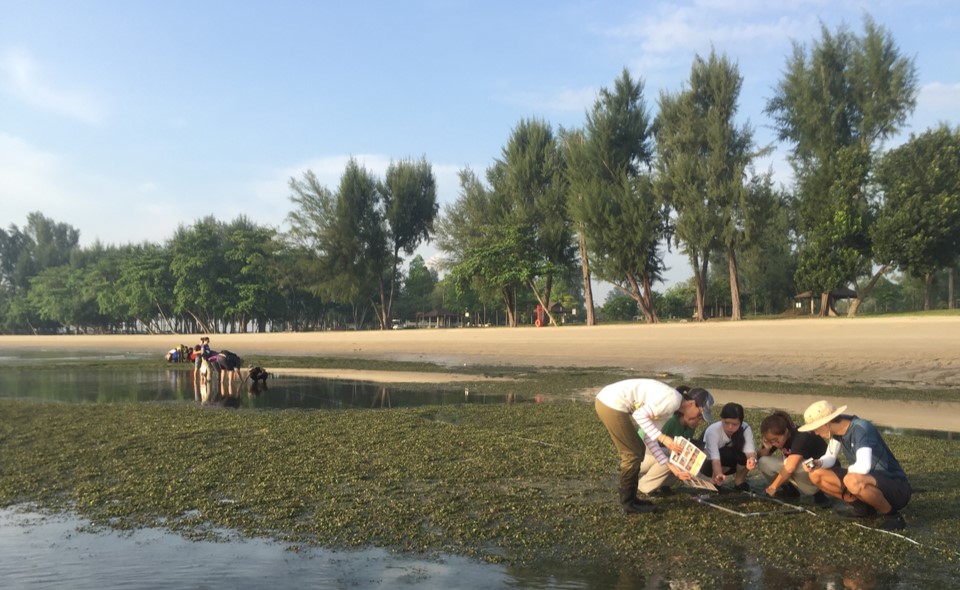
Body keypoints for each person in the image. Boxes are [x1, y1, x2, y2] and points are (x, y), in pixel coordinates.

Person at [595, 378, 714, 514]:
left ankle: (632, 499)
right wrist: (664, 438)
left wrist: (672, 468)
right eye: (699, 414)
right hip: (611, 402)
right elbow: (640, 415)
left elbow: (649, 438)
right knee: (632, 454)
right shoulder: (673, 400)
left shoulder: (669, 411)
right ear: (692, 403)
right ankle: (628, 503)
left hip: (610, 402)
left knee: (638, 449)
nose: (699, 419)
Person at [799, 400, 912, 530]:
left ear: (826, 423)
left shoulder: (861, 428)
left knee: (851, 480)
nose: (816, 433)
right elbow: (830, 457)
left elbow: (864, 467)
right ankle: (863, 509)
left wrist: (847, 477)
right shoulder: (837, 430)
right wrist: (818, 463)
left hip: (896, 487)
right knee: (816, 474)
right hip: (868, 480)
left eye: (816, 428)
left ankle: (893, 516)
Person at [638, 385, 709, 497]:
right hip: (644, 455)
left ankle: (664, 485)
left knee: (680, 456)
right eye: (699, 417)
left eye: (701, 419)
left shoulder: (690, 426)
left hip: (658, 454)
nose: (699, 422)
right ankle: (646, 486)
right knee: (672, 455)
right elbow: (656, 444)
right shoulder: (671, 421)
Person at [757, 410, 830, 506]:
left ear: (786, 431)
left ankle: (818, 494)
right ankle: (789, 490)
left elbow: (791, 466)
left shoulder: (801, 435)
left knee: (790, 464)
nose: (773, 443)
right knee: (764, 462)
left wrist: (773, 487)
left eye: (775, 440)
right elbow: (760, 458)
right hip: (800, 467)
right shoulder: (776, 438)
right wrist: (767, 448)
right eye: (770, 441)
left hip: (821, 469)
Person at [700, 402, 757, 492]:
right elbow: (714, 459)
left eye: (735, 424)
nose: (730, 427)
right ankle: (715, 482)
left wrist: (751, 459)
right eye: (726, 423)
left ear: (741, 423)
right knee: (727, 453)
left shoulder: (745, 428)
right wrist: (718, 473)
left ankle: (739, 482)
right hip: (707, 463)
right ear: (721, 419)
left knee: (743, 456)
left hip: (730, 463)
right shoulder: (713, 431)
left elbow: (750, 451)